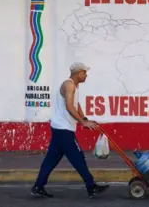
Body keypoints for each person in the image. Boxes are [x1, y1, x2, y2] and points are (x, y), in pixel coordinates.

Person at [31, 62, 110, 198]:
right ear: (78, 73)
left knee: (51, 159)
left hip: (60, 128)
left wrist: (85, 118)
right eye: (84, 72)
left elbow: (75, 104)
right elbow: (69, 106)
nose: (86, 75)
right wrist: (83, 123)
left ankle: (38, 186)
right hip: (64, 129)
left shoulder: (74, 86)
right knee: (78, 157)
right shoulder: (69, 85)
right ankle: (91, 186)